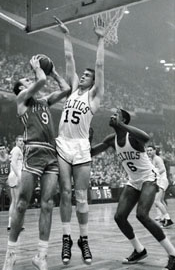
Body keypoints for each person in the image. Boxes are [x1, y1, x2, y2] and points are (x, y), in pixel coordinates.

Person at [2, 55, 71, 270]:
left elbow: (67, 89)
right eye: (26, 81)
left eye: (29, 80)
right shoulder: (22, 99)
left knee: (48, 204)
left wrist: (54, 72)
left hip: (51, 153)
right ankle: (11, 254)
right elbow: (39, 82)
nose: (30, 81)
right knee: (22, 203)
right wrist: (36, 69)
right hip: (33, 152)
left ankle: (41, 255)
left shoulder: (43, 101)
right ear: (21, 88)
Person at [91, 108, 175, 270]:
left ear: (123, 120)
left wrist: (123, 126)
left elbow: (146, 137)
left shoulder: (133, 137)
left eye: (116, 115)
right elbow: (92, 152)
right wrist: (87, 143)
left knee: (142, 214)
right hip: (133, 181)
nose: (112, 116)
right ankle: (139, 250)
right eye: (112, 114)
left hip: (149, 178)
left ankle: (172, 253)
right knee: (119, 217)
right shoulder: (111, 140)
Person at [54, 17, 105, 265]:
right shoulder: (74, 89)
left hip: (81, 147)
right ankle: (66, 238)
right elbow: (68, 60)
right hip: (64, 144)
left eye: (87, 75)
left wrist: (100, 39)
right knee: (65, 193)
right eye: (82, 75)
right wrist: (66, 35)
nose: (82, 76)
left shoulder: (95, 97)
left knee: (81, 196)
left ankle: (84, 240)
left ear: (93, 82)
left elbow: (100, 65)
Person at [147, 145, 174, 228]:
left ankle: (168, 219)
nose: (149, 152)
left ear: (154, 151)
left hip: (162, 181)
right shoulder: (152, 159)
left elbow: (162, 169)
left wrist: (153, 173)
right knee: (161, 200)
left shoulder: (157, 159)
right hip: (161, 181)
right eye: (147, 150)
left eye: (151, 150)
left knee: (156, 201)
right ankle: (164, 218)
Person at [7, 135, 24, 231]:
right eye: (19, 141)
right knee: (17, 201)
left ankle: (10, 223)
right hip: (16, 175)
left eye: (22, 141)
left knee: (14, 201)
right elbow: (13, 163)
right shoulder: (17, 150)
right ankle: (16, 224)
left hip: (12, 175)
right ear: (16, 141)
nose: (21, 142)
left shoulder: (14, 150)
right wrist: (18, 175)